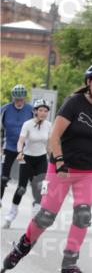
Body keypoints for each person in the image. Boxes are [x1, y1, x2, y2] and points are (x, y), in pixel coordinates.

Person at [1, 64, 92, 273]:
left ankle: (69, 264)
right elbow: (55, 135)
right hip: (62, 169)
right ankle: (23, 246)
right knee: (46, 216)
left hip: (90, 171)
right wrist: (61, 160)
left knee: (83, 215)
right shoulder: (73, 103)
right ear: (88, 81)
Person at [2, 98, 52, 229]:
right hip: (26, 158)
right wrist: (19, 152)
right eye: (40, 110)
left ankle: (37, 215)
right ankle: (11, 215)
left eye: (45, 111)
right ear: (35, 111)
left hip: (41, 158)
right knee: (21, 189)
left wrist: (54, 158)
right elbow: (20, 141)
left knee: (43, 187)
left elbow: (49, 144)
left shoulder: (49, 125)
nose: (43, 113)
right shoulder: (27, 124)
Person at [1, 84, 33, 204]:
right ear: (13, 98)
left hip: (25, 149)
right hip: (8, 146)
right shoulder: (5, 109)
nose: (19, 101)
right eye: (16, 99)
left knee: (25, 183)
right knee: (3, 178)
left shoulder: (31, 110)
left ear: (24, 98)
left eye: (21, 99)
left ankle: (34, 204)